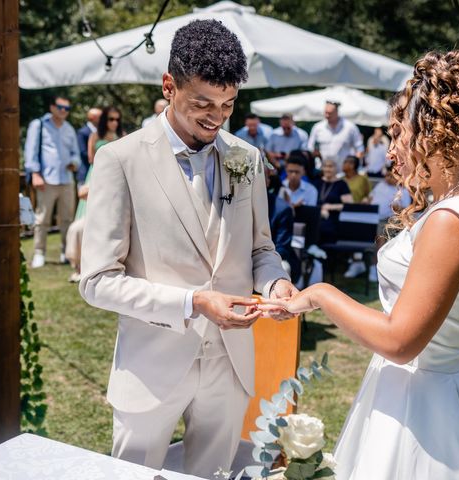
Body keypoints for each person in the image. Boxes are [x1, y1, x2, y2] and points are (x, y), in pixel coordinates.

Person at [261, 51, 459, 479]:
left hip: (426, 416)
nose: (393, 150)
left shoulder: (453, 220)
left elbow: (401, 341)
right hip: (428, 390)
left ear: (432, 131)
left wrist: (320, 293)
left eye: (399, 133)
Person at [78, 20, 296, 478]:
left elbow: (260, 248)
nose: (216, 117)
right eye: (202, 103)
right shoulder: (120, 160)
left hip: (230, 364)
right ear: (168, 86)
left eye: (228, 105)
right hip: (151, 368)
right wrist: (192, 302)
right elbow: (96, 283)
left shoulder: (246, 159)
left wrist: (275, 281)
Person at [66, 106, 123, 283]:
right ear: (104, 120)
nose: (114, 123)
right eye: (111, 119)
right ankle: (78, 265)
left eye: (117, 119)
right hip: (96, 173)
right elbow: (91, 159)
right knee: (83, 222)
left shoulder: (123, 136)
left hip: (115, 176)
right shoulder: (95, 136)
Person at [24, 94, 81, 268]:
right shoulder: (39, 125)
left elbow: (76, 154)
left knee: (67, 219)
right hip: (46, 179)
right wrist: (35, 173)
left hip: (66, 179)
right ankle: (39, 252)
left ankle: (66, 251)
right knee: (42, 219)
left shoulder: (69, 128)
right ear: (52, 107)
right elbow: (30, 151)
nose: (64, 111)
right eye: (60, 107)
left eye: (67, 108)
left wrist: (74, 163)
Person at [364, 166, 411, 282]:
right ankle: (371, 267)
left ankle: (377, 268)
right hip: (373, 217)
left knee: (380, 241)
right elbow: (371, 197)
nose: (388, 178)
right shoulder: (381, 185)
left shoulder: (402, 191)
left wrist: (398, 207)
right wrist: (367, 200)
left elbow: (405, 209)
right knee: (376, 241)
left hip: (389, 221)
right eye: (387, 175)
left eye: (391, 176)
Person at [307, 101, 364, 171]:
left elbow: (359, 149)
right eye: (325, 112)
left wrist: (354, 167)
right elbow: (310, 148)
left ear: (337, 112)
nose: (327, 115)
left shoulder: (350, 127)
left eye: (330, 113)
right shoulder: (318, 127)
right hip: (322, 171)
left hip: (344, 172)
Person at [266, 171, 301, 284]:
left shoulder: (281, 209)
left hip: (272, 258)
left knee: (283, 268)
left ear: (268, 181)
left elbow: (282, 248)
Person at [314, 158, 352, 243]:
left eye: (330, 166)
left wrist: (329, 207)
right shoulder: (316, 183)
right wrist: (321, 210)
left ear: (336, 168)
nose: (328, 169)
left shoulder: (341, 184)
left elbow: (349, 205)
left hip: (333, 219)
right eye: (325, 166)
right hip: (316, 216)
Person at [76, 107, 102, 186]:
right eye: (101, 117)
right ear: (93, 118)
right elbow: (83, 152)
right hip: (86, 172)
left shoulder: (102, 132)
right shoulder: (82, 132)